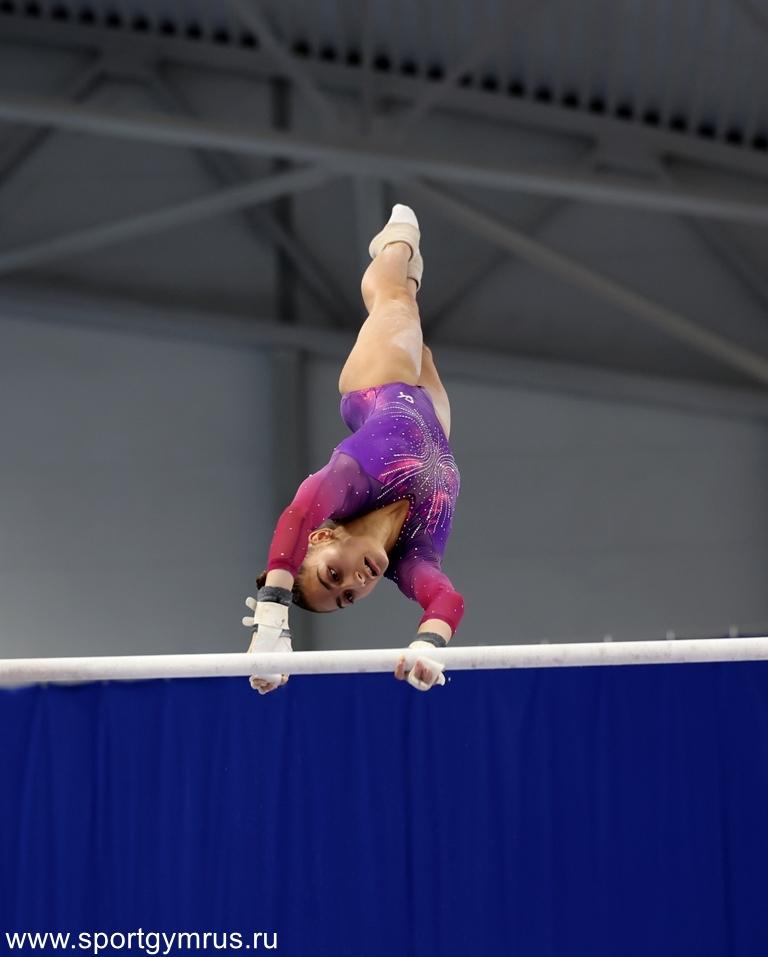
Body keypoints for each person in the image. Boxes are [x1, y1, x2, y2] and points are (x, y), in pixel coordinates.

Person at [242, 204, 464, 693]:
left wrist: (272, 622)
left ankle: (395, 243)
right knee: (418, 333)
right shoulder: (413, 557)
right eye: (346, 597)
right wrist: (427, 648)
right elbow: (446, 600)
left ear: (323, 537)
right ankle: (406, 276)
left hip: (379, 385)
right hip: (433, 422)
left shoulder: (352, 481)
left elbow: (298, 513)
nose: (354, 583)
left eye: (332, 575)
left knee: (394, 301)